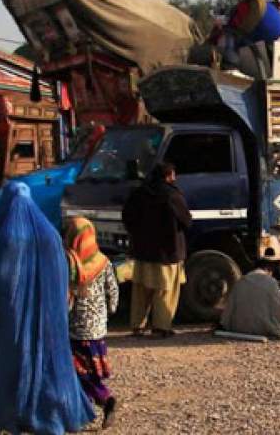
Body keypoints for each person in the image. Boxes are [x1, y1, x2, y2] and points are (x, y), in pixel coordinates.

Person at [0, 182, 94, 435]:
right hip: (49, 318)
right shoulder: (48, 232)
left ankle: (0, 416)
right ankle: (52, 415)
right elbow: (60, 277)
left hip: (9, 319)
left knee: (5, 362)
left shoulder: (3, 235)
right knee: (47, 362)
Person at [123, 162, 192, 338]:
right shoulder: (172, 195)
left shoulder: (139, 193)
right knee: (165, 291)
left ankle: (137, 326)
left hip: (142, 251)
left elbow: (127, 217)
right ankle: (161, 327)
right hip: (167, 252)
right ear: (169, 176)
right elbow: (186, 221)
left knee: (141, 290)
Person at [64, 217, 119, 430]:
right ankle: (83, 410)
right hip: (97, 328)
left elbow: (66, 297)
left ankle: (105, 400)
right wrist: (108, 312)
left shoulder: (70, 262)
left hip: (77, 329)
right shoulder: (103, 261)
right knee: (86, 371)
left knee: (79, 371)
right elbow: (112, 290)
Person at [220, 257, 280, 337]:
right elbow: (277, 311)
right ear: (269, 269)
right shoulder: (272, 282)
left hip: (238, 328)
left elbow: (229, 310)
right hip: (265, 329)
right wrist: (278, 327)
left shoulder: (241, 282)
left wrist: (225, 325)